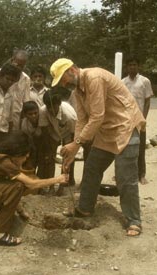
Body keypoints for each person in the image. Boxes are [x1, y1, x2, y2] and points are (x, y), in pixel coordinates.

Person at [50, 58, 146, 236]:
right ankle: (85, 208)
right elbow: (82, 121)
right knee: (92, 167)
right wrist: (73, 149)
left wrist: (76, 143)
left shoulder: (94, 78)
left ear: (72, 70)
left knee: (125, 177)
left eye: (63, 78)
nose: (64, 84)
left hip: (125, 127)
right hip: (106, 132)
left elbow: (96, 117)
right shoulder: (77, 91)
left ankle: (133, 220)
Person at [122, 56, 154, 185]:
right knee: (124, 148)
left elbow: (147, 102)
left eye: (135, 65)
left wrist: (143, 119)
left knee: (140, 149)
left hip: (140, 120)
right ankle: (123, 174)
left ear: (138, 66)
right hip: (126, 120)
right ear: (127, 67)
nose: (132, 67)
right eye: (130, 65)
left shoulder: (144, 81)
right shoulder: (123, 82)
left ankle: (141, 175)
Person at [40, 89, 77, 195]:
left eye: (54, 106)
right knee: (49, 157)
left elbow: (73, 134)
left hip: (68, 133)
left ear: (59, 104)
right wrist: (49, 149)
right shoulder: (43, 111)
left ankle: (63, 185)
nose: (51, 110)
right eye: (49, 107)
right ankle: (51, 185)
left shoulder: (70, 116)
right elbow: (44, 131)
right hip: (52, 131)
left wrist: (68, 150)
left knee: (67, 158)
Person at [0, 49, 31, 129]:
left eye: (22, 66)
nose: (19, 68)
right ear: (12, 60)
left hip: (14, 121)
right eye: (17, 64)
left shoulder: (26, 79)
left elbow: (26, 103)